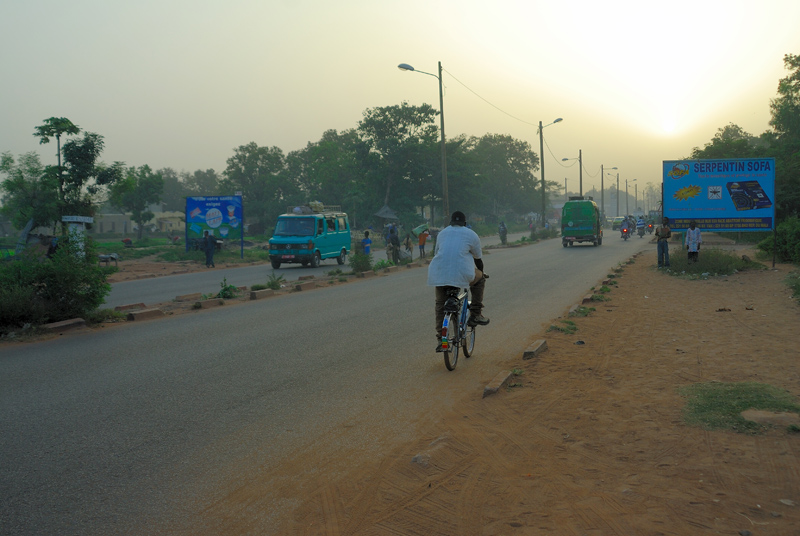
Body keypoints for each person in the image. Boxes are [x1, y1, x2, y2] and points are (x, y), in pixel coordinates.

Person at [427, 211, 489, 352]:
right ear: (465, 224)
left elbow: (438, 253)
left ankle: (440, 340)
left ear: (450, 223)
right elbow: (478, 260)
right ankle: (475, 314)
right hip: (462, 273)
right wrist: (481, 273)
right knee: (480, 280)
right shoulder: (471, 234)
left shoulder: (442, 233)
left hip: (439, 272)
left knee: (440, 304)